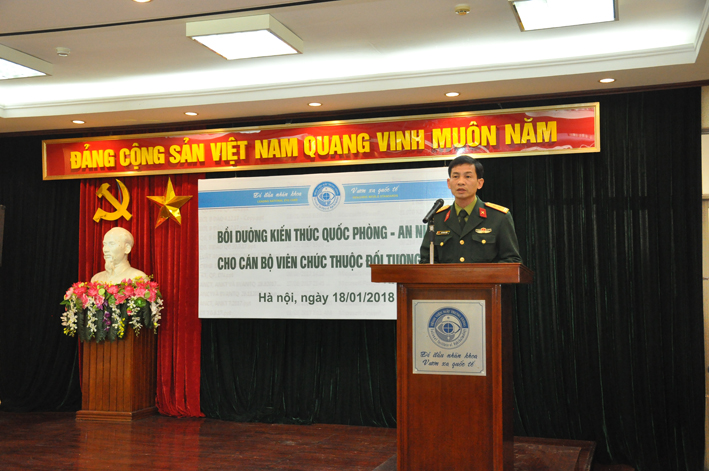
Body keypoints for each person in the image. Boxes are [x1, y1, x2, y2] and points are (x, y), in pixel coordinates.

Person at [419, 155, 522, 264]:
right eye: (456, 176)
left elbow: (512, 260)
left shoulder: (499, 217)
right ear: (449, 183)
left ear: (480, 183)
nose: (461, 182)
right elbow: (427, 261)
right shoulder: (437, 218)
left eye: (467, 176)